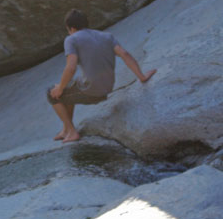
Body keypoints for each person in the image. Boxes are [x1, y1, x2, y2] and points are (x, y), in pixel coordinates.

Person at [48, 9, 156, 143]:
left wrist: (59, 88)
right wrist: (142, 77)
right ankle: (65, 129)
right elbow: (125, 54)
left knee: (51, 93)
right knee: (66, 90)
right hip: (107, 88)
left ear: (72, 28)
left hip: (91, 91)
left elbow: (71, 68)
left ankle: (72, 132)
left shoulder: (71, 39)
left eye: (68, 30)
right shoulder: (107, 36)